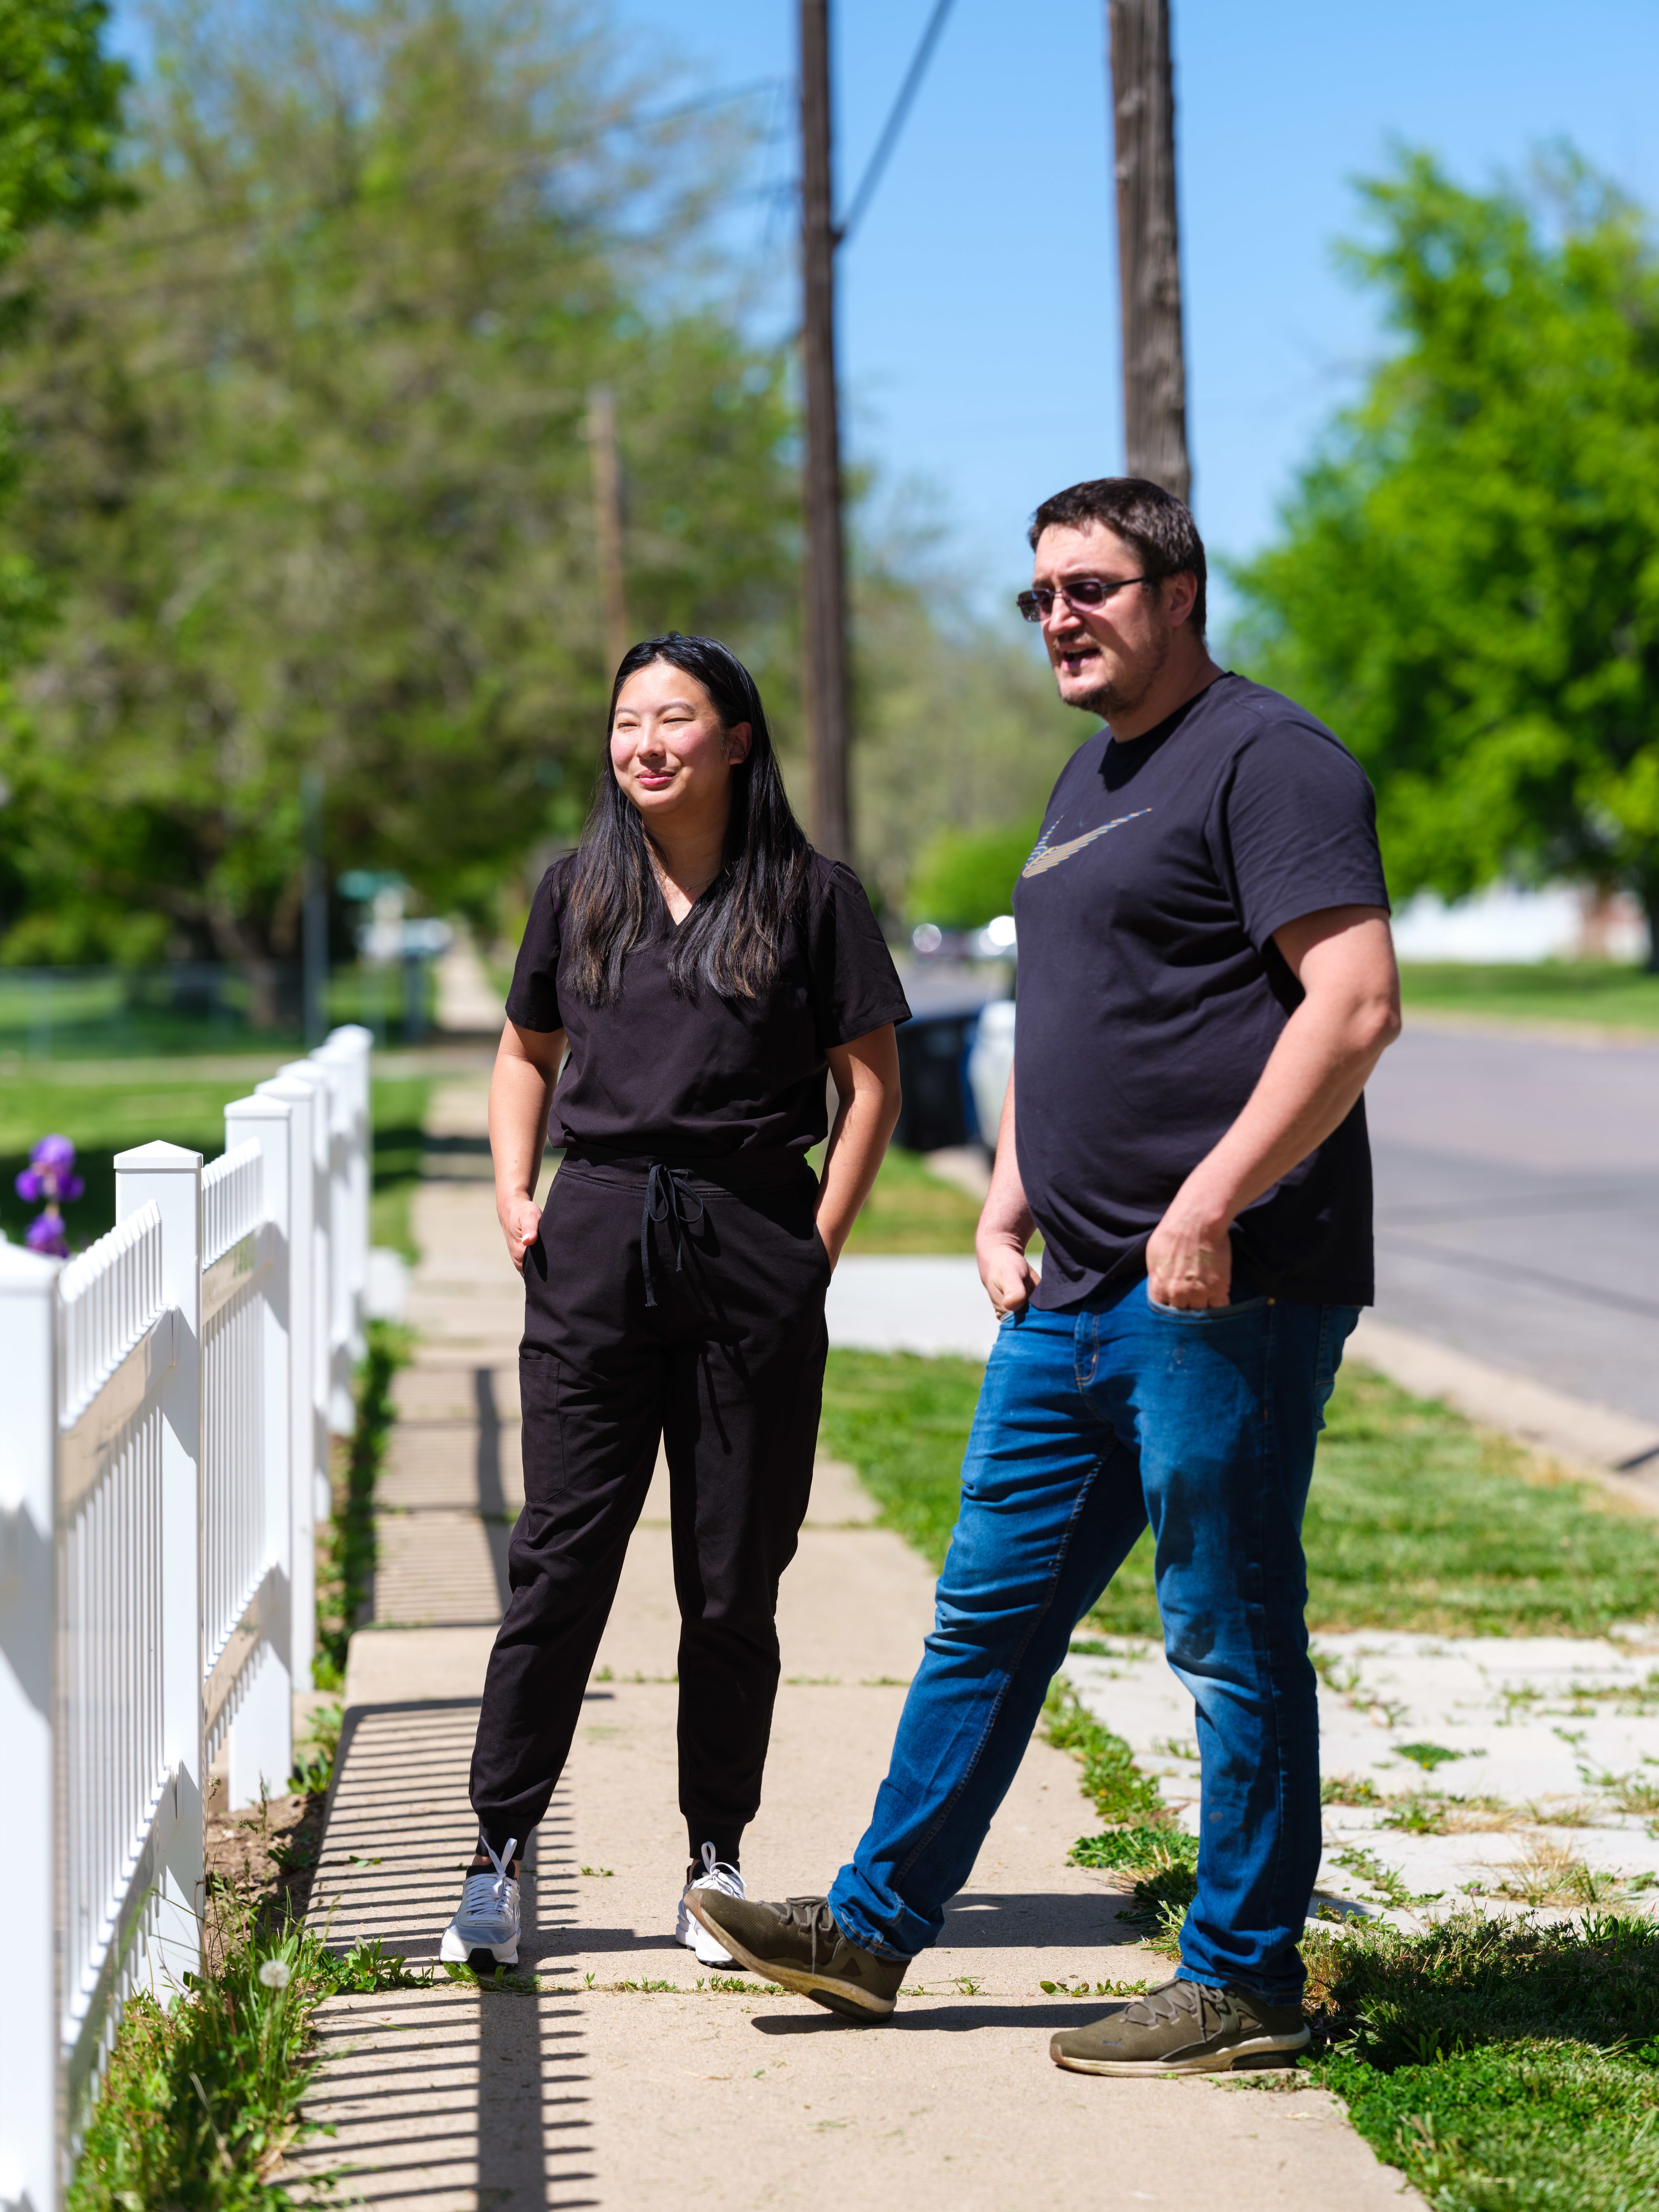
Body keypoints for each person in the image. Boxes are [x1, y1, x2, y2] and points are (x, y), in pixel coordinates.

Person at [690, 479, 1401, 2074]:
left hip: (1228, 1287)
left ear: (1178, 591)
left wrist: (1211, 1200)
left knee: (1225, 1628)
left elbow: (1350, 1006)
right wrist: (1005, 1192)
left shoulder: (1269, 762)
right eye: (1039, 597)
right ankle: (871, 1932)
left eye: (1089, 586)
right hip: (1066, 1287)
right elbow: (1068, 1014)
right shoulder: (1091, 773)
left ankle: (1243, 1978)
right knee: (982, 1621)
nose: (1060, 619)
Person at [439, 631, 908, 1972]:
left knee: (731, 1579)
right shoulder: (577, 892)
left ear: (738, 740)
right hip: (594, 1243)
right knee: (561, 1559)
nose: (646, 742)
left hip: (752, 1241)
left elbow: (870, 1086)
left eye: (677, 719)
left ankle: (717, 1856)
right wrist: (515, 1191)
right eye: (628, 720)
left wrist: (814, 1242)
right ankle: (500, 1849)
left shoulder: (812, 898)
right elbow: (526, 1052)